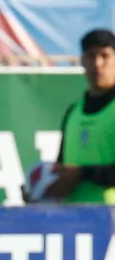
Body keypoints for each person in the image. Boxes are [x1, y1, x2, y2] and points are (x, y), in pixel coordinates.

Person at [31, 28, 115, 203]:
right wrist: (41, 193)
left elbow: (76, 173)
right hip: (77, 223)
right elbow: (64, 168)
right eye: (91, 56)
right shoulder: (73, 112)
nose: (98, 64)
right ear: (82, 61)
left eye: (105, 56)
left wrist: (82, 174)